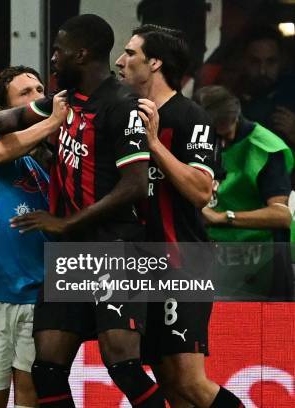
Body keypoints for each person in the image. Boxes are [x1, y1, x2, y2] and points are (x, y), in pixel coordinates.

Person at [0, 14, 164, 408]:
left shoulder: (122, 107)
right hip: (70, 255)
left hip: (116, 250)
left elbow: (135, 186)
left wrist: (65, 221)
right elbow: (15, 117)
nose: (52, 59)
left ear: (82, 53)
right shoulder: (65, 100)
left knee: (123, 364)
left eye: (57, 51)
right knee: (47, 369)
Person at [116, 25, 245, 407]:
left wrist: (153, 143)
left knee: (190, 382)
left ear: (154, 62)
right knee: (170, 383)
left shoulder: (193, 118)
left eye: (131, 54)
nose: (120, 62)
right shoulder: (123, 114)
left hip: (183, 261)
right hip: (138, 266)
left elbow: (201, 191)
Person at [0, 66, 55, 408]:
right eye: (26, 94)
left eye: (40, 90)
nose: (38, 98)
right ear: (6, 109)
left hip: (40, 293)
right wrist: (55, 119)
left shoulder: (54, 162)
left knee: (31, 394)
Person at [195, 85, 294, 301]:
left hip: (260, 262)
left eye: (226, 135)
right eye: (214, 137)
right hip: (215, 261)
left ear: (236, 116)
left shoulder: (264, 149)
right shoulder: (197, 142)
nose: (221, 144)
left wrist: (223, 217)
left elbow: (282, 216)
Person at [222, 25, 295, 148]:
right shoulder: (230, 95)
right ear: (243, 61)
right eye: (255, 62)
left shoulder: (291, 94)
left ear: (282, 61)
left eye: (271, 62)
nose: (262, 71)